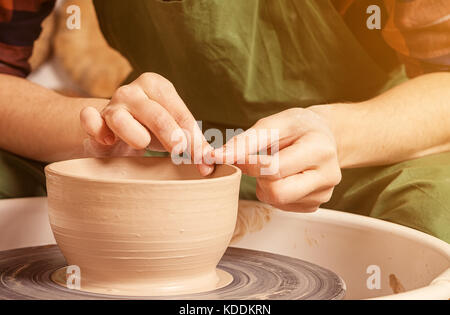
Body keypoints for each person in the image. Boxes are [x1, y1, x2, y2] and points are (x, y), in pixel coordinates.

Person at [1, 0, 449, 242]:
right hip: (156, 147)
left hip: (353, 145)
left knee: (436, 207)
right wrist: (98, 128)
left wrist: (340, 134)